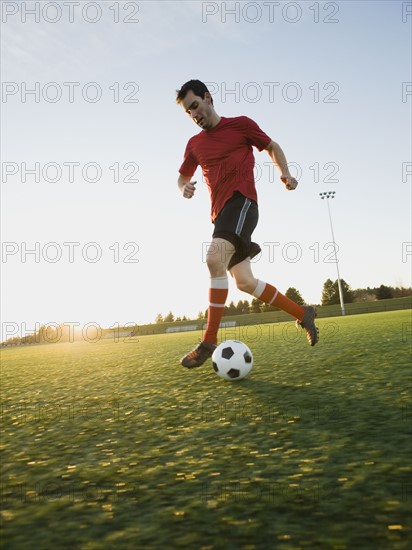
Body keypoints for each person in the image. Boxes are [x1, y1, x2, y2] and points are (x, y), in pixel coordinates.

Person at [176, 79, 318, 368]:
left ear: (207, 98)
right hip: (221, 215)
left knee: (214, 258)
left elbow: (272, 146)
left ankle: (208, 341)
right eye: (189, 113)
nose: (195, 115)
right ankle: (303, 314)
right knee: (244, 282)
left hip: (242, 203)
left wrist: (286, 174)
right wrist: (184, 188)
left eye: (195, 106)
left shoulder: (240, 125)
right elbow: (182, 176)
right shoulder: (194, 145)